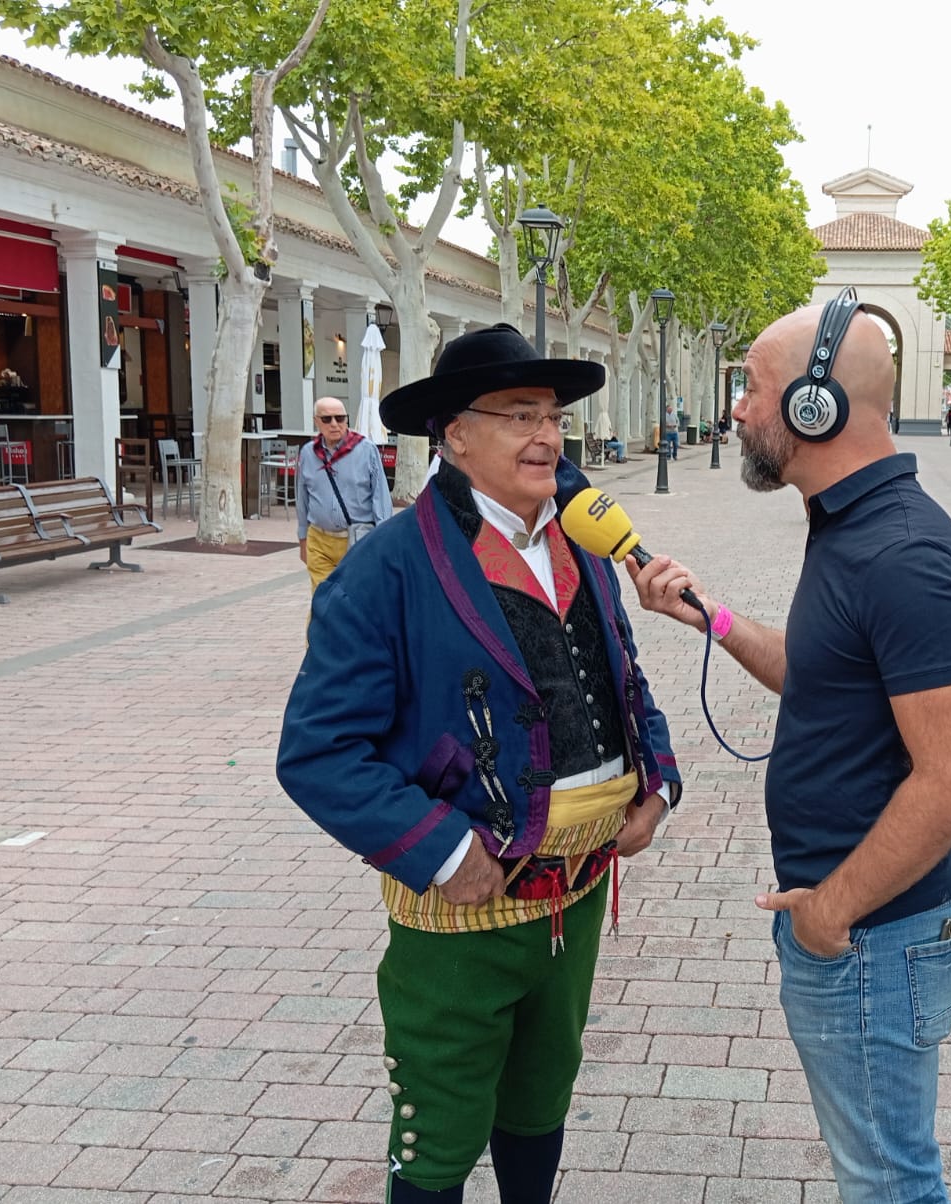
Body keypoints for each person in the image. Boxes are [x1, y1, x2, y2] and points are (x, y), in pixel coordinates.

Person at [276, 324, 683, 1204]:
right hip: (460, 920)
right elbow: (316, 752)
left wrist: (658, 778)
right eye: (520, 415)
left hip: (577, 896)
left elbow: (623, 676)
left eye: (554, 417)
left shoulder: (585, 547)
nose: (549, 436)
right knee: (441, 1132)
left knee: (541, 1102)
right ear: (455, 433)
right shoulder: (385, 568)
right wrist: (441, 850)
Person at [627, 298, 951, 1204]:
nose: (739, 410)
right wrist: (709, 617)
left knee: (888, 1180)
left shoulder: (899, 555)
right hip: (867, 932)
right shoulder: (849, 527)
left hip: (872, 935)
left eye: (753, 388)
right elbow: (817, 673)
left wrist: (829, 915)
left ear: (814, 405)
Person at [295, 397, 392, 590]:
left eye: (340, 418)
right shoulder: (308, 453)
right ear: (316, 421)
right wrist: (303, 538)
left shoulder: (366, 450)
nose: (334, 424)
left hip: (358, 541)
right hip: (319, 541)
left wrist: (384, 541)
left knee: (356, 599)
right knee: (323, 601)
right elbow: (302, 497)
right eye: (327, 419)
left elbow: (380, 498)